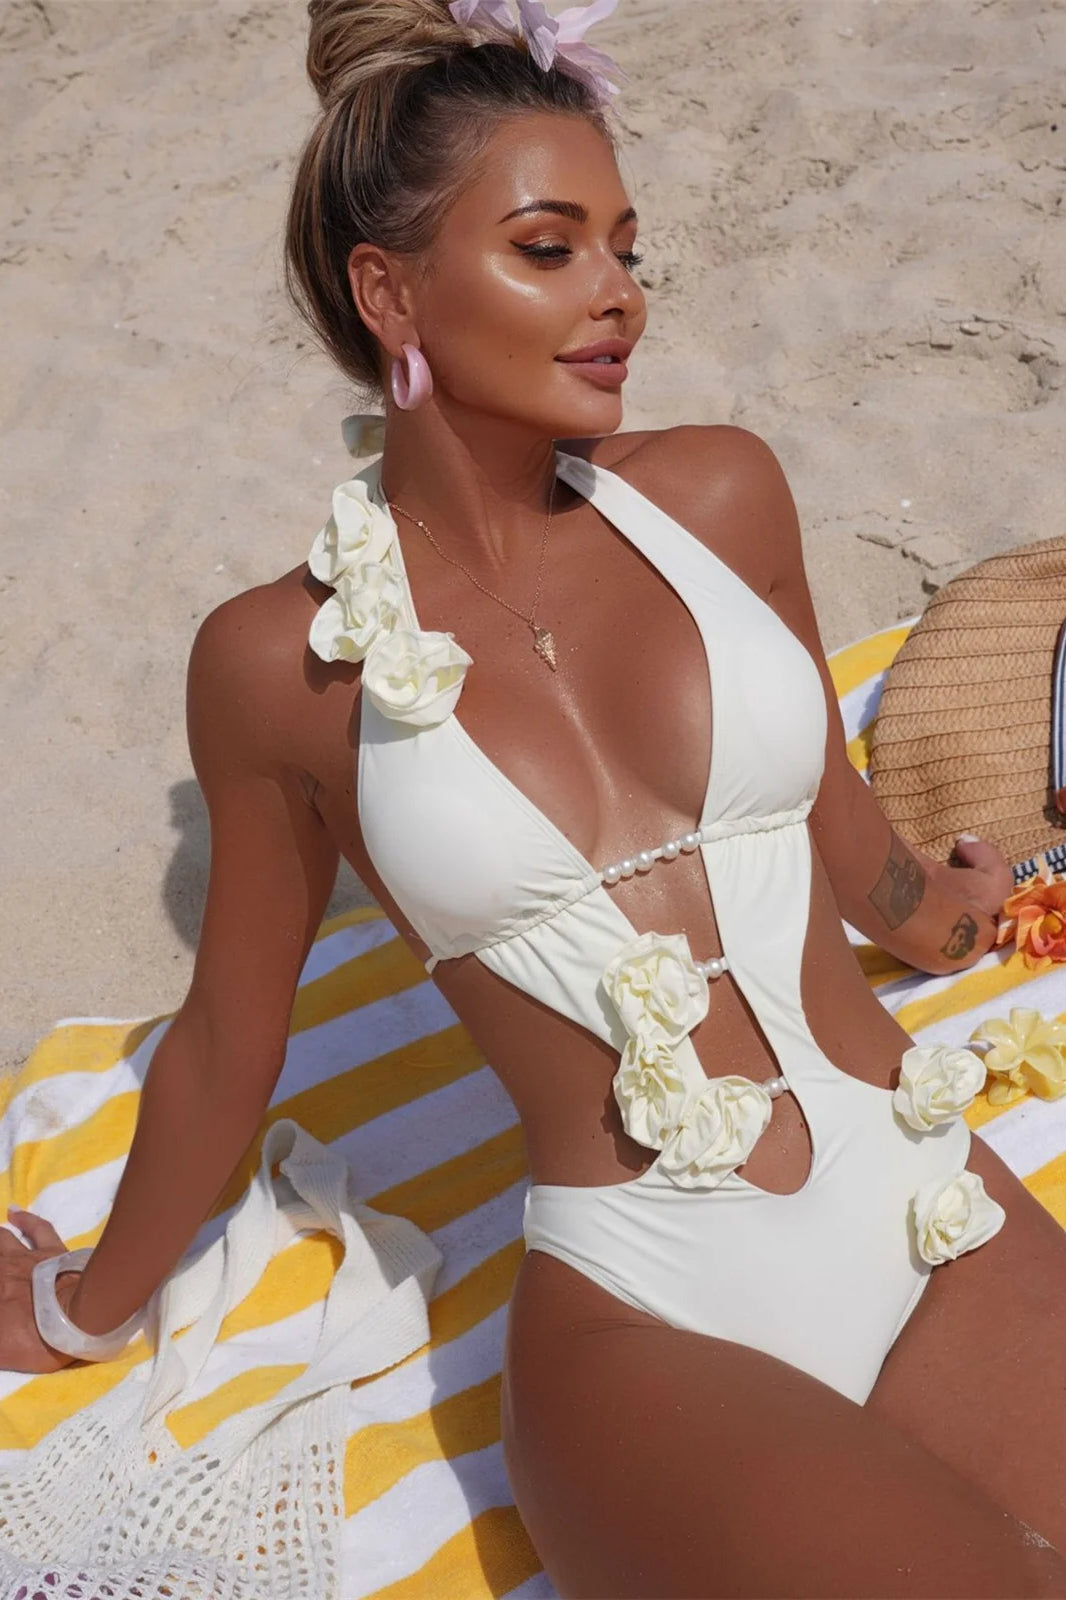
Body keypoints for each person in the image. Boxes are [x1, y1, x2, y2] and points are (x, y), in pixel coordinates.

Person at [4, 0, 1066, 1594]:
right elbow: (230, 1035)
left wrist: (952, 915)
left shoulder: (721, 492)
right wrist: (81, 1309)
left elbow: (837, 831)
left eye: (625, 250)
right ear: (387, 291)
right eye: (548, 249)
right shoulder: (275, 666)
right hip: (649, 1315)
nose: (617, 294)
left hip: (921, 1198)